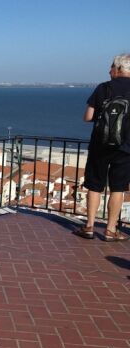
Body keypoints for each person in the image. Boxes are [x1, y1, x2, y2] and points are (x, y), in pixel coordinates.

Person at [75, 53, 130, 241]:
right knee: (117, 189)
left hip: (100, 145)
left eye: (111, 67)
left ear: (119, 69)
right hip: (126, 147)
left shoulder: (103, 88)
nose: (109, 70)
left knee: (95, 186)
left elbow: (88, 117)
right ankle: (111, 230)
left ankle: (89, 227)